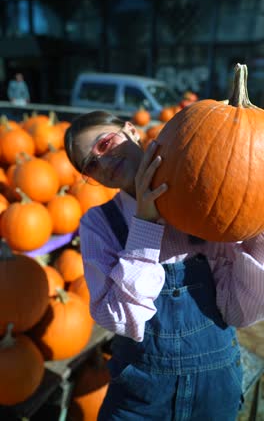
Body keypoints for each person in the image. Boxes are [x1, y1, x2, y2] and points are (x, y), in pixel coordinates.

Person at [64, 110, 264, 421]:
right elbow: (122, 319)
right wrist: (145, 224)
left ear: (131, 130)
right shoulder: (99, 224)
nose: (102, 162)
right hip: (140, 396)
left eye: (104, 144)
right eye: (90, 164)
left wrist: (259, 227)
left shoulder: (208, 201)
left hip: (214, 391)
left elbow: (239, 312)